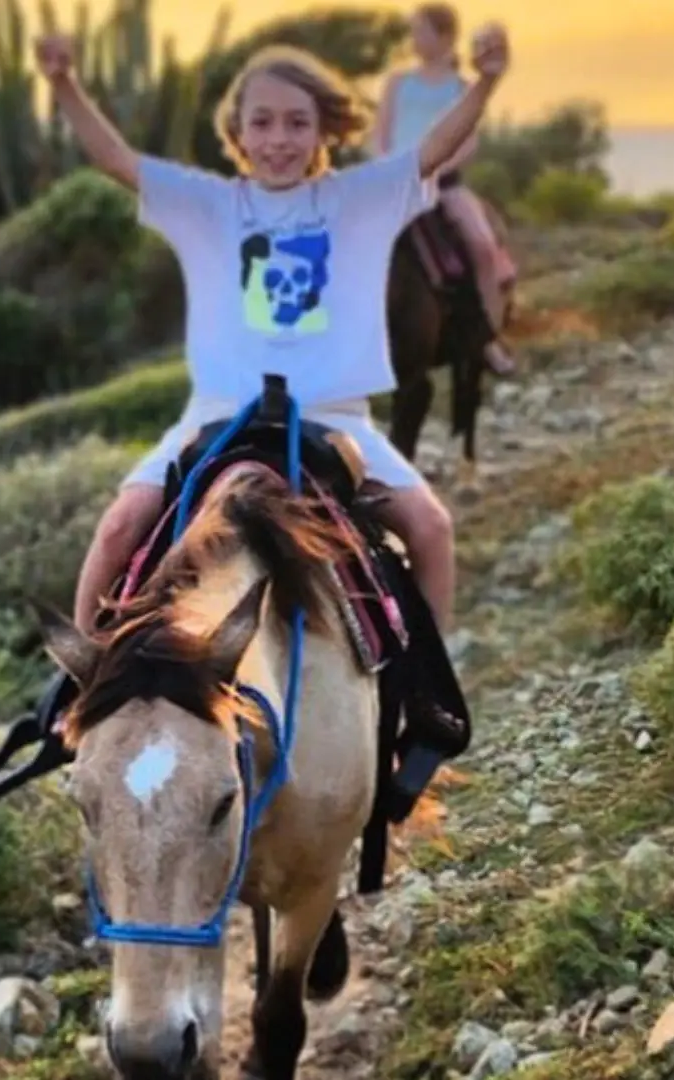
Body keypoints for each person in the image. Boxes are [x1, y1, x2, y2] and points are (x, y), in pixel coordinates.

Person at [42, 26, 507, 647]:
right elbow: (115, 161)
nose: (279, 140)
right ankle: (83, 687)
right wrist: (63, 83)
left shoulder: (357, 198)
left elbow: (432, 151)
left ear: (322, 130)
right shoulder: (208, 204)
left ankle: (425, 705)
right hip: (217, 417)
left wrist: (486, 83)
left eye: (296, 123)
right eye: (262, 124)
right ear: (237, 134)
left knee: (431, 529)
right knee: (120, 524)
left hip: (335, 423)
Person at [375, 1, 518, 377]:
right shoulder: (397, 83)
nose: (414, 39)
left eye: (421, 31)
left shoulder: (462, 87)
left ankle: (488, 338)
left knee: (483, 246)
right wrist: (387, 170)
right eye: (413, 31)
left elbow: (468, 143)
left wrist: (435, 172)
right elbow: (381, 134)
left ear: (445, 37)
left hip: (445, 184)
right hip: (394, 183)